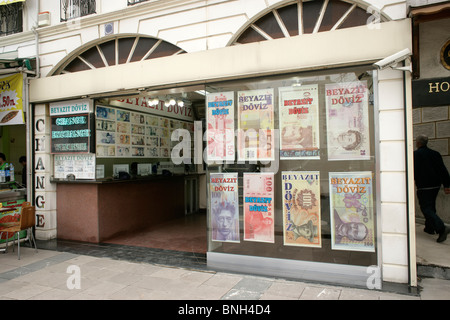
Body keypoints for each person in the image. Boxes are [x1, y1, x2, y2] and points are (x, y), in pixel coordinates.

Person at [414, 134, 450, 243]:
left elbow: (413, 171)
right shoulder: (435, 154)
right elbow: (442, 170)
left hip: (424, 186)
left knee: (426, 208)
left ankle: (441, 228)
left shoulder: (415, 155)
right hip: (435, 186)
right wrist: (447, 185)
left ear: (418, 143)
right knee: (431, 206)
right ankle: (429, 228)